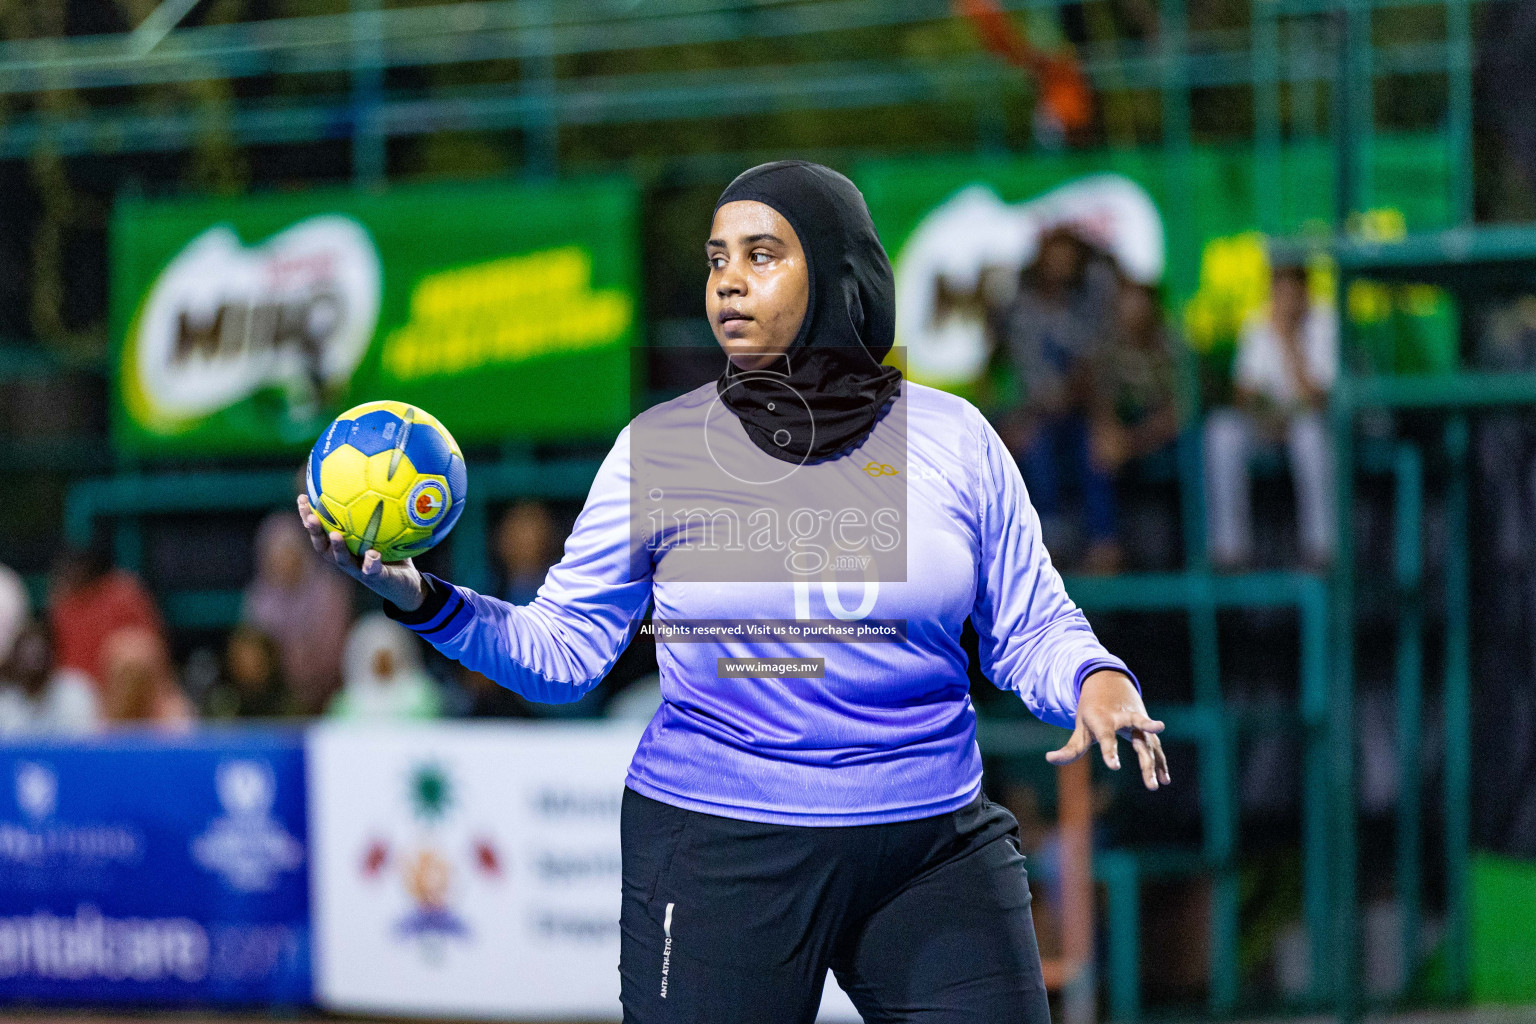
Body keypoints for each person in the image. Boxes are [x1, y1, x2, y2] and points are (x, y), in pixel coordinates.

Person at [300, 160, 1168, 1024]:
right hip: (719, 849)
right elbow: (563, 655)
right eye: (718, 260)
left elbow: (1033, 626)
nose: (729, 284)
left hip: (928, 848)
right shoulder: (661, 449)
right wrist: (423, 600)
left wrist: (1096, 681)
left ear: (836, 271)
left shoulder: (955, 439)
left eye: (762, 255)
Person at [991, 226, 1119, 565]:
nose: (1061, 267)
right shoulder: (1021, 310)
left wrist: (1087, 408)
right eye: (1054, 259)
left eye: (1069, 259)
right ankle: (1049, 542)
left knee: (1095, 448)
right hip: (1032, 416)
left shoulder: (1087, 310)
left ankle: (1103, 546)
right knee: (1033, 444)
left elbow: (1094, 366)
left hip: (1080, 414)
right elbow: (1015, 374)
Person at [1203, 262, 1338, 571]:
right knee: (1221, 430)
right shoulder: (1258, 323)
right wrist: (1262, 414)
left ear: (1306, 292)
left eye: (1293, 291)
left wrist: (1288, 340)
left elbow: (1317, 399)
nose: (1286, 301)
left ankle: (1321, 550)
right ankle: (1230, 551)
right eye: (1280, 291)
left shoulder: (1325, 322)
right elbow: (1243, 394)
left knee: (1309, 433)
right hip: (1269, 425)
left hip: (1314, 424)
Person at [1084, 277, 1187, 573]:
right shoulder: (1109, 349)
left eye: (1140, 303)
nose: (1133, 311)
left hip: (1166, 438)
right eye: (1127, 303)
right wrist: (1110, 433)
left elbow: (1180, 411)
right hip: (1125, 436)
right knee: (1095, 446)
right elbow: (1101, 402)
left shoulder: (1174, 347)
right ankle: (1105, 545)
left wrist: (1132, 442)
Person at [243, 510, 354, 714]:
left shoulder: (329, 591)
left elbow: (334, 653)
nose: (282, 561)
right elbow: (256, 657)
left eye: (288, 551)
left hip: (330, 695)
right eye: (274, 553)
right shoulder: (258, 598)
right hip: (277, 698)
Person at [48, 549, 166, 694]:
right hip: (77, 695)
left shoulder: (124, 595)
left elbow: (150, 649)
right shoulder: (62, 604)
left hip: (126, 693)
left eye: (75, 568)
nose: (70, 574)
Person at [326, 612, 442, 721]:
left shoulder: (421, 697)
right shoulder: (347, 703)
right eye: (377, 658)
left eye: (387, 657)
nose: (382, 663)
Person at [0, 619, 102, 736]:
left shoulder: (76, 691)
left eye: (37, 656)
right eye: (26, 656)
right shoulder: (5, 699)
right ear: (13, 659)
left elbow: (87, 743)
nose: (32, 663)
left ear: (53, 655)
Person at [99, 626, 195, 729]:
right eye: (125, 675)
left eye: (142, 676)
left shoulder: (178, 721)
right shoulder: (91, 717)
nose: (133, 686)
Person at [205, 626, 296, 719]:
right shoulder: (221, 700)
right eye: (238, 660)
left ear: (268, 661)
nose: (243, 667)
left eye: (253, 660)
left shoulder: (287, 704)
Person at [495, 500, 559, 605]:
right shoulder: (489, 583)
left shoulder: (562, 583)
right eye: (514, 524)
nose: (522, 537)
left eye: (531, 523)